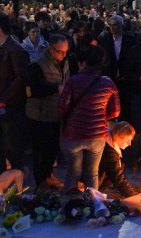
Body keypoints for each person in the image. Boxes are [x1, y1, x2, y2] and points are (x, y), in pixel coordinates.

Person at [58, 45, 121, 190]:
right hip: (96, 135)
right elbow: (116, 111)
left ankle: (70, 206)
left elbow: (62, 107)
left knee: (72, 173)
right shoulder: (107, 83)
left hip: (73, 134)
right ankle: (93, 206)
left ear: (84, 63)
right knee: (92, 174)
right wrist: (99, 116)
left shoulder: (73, 81)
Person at [0, 15, 29, 179]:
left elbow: (21, 77)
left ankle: (14, 184)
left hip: (10, 108)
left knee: (12, 148)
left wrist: (4, 99)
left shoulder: (15, 49)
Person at [25, 34, 71, 190]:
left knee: (52, 149)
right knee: (41, 151)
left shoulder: (64, 61)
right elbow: (32, 90)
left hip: (55, 114)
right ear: (50, 48)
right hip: (39, 115)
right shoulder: (37, 64)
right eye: (60, 52)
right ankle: (40, 183)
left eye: (66, 52)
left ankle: (48, 176)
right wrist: (56, 88)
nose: (63, 55)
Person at [98, 121, 139, 198]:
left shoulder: (107, 137)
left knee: (120, 166)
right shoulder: (109, 152)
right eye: (127, 140)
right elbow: (118, 178)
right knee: (117, 169)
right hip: (90, 179)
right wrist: (133, 197)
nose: (129, 144)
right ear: (119, 136)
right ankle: (95, 192)